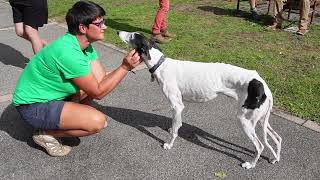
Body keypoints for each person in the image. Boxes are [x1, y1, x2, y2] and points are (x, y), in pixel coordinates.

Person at [12, 0, 142, 157]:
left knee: (93, 86)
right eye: (99, 23)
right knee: (97, 122)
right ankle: (45, 133)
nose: (105, 27)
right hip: (32, 106)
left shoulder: (85, 46)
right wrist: (125, 67)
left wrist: (120, 70)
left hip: (48, 97)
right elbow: (99, 92)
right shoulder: (69, 52)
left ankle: (70, 114)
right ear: (82, 28)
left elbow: (100, 82)